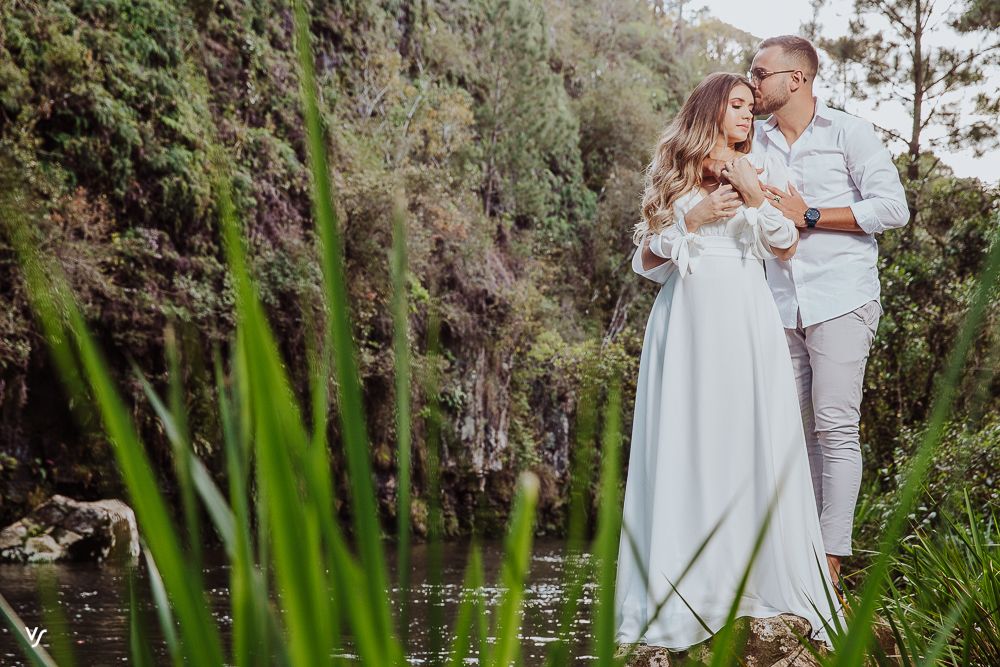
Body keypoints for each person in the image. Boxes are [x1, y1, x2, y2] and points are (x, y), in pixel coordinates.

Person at [615, 72, 843, 651]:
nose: (749, 115)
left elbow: (787, 244)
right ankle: (685, 592)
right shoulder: (675, 166)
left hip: (745, 316)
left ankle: (759, 580)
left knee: (751, 439)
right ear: (713, 110)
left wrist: (754, 192)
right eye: (738, 105)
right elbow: (646, 255)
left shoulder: (760, 168)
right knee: (689, 439)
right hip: (688, 318)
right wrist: (696, 218)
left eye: (751, 105)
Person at [744, 35, 909, 597]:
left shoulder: (849, 133)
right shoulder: (752, 142)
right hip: (776, 303)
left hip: (842, 298)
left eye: (759, 73)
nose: (751, 82)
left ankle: (830, 566)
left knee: (835, 426)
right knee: (787, 433)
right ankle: (790, 558)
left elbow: (892, 208)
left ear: (797, 79)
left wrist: (809, 213)